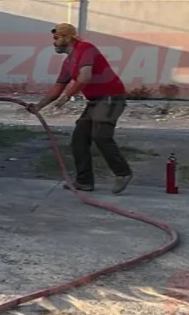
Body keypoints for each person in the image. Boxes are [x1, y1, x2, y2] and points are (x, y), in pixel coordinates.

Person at [29, 23, 134, 194]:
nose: (54, 43)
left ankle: (123, 173)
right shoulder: (67, 63)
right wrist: (38, 106)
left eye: (56, 38)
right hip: (94, 101)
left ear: (67, 38)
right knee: (79, 139)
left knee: (100, 135)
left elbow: (85, 77)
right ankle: (84, 182)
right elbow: (57, 88)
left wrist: (67, 97)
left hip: (111, 98)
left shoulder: (86, 49)